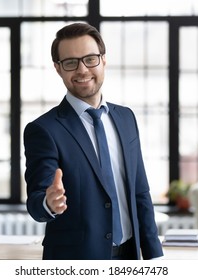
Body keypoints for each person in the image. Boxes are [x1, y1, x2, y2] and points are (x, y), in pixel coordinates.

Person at [23, 22, 163, 260]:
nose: (82, 70)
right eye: (70, 63)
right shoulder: (44, 130)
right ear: (58, 69)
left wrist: (154, 256)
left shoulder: (126, 117)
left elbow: (140, 192)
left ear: (103, 60)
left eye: (90, 59)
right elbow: (37, 200)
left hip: (129, 256)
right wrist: (49, 203)